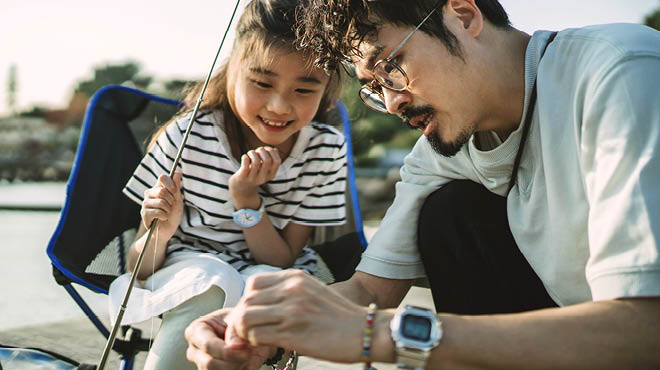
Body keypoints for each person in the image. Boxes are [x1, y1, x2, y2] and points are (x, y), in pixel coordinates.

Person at [184, 0, 660, 369]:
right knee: (451, 211)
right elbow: (369, 289)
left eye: (392, 66)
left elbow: (647, 333)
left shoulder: (619, 71)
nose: (391, 103)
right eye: (375, 86)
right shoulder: (443, 149)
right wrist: (258, 324)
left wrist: (377, 335)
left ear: (463, 14)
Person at [106, 1, 348, 369]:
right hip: (183, 273)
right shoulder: (187, 136)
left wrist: (246, 200)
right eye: (262, 83)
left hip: (266, 270)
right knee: (212, 282)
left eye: (304, 90)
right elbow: (138, 267)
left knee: (264, 287)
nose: (279, 106)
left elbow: (281, 260)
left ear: (326, 89)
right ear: (234, 68)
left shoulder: (325, 150)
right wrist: (163, 230)